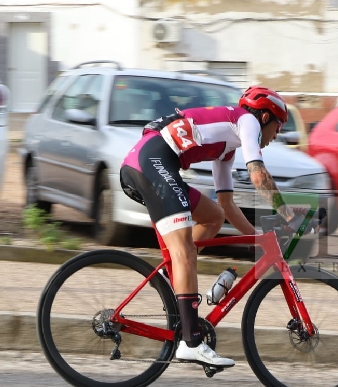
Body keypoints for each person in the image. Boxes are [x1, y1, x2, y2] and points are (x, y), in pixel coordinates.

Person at [119, 85, 300, 368]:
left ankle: (177, 277)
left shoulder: (226, 147)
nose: (278, 134)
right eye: (279, 126)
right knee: (185, 252)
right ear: (265, 118)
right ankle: (191, 342)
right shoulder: (247, 121)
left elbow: (226, 206)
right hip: (152, 162)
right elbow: (257, 173)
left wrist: (260, 239)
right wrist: (289, 215)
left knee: (212, 215)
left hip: (150, 161)